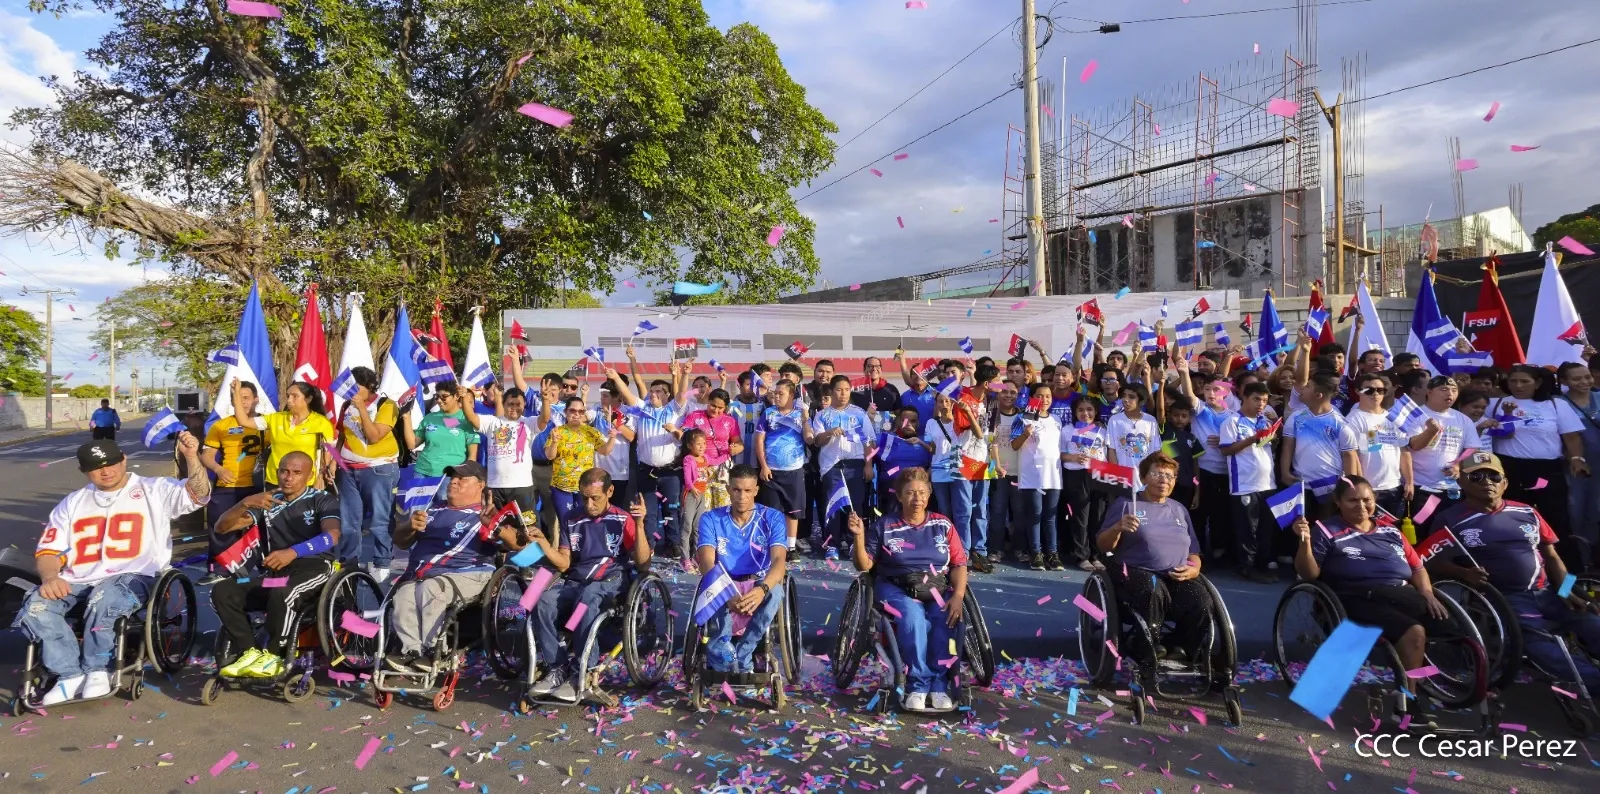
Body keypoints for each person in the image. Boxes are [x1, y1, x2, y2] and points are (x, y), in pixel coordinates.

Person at [17, 436, 210, 705]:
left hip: (136, 576)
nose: (106, 471)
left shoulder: (154, 489)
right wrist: (50, 578)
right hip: (78, 579)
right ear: (84, 471)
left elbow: (198, 493)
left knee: (105, 598)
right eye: (96, 467)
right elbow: (48, 551)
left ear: (124, 460)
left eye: (111, 463)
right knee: (36, 606)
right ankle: (68, 674)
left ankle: (97, 668)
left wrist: (191, 456)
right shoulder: (72, 503)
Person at [1427, 452, 1600, 694]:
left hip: (1549, 591)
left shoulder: (1527, 511)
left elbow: (1552, 557)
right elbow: (1431, 563)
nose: (1487, 481)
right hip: (1506, 598)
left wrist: (1566, 589)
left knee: (1593, 622)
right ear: (1462, 482)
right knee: (1541, 644)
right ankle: (1594, 683)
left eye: (1494, 476)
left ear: (1505, 483)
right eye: (1476, 476)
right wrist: (1463, 574)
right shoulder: (1449, 519)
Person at [1290, 475, 1454, 703]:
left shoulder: (1391, 531)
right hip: (1356, 597)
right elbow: (1310, 574)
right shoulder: (1326, 530)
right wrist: (1304, 541)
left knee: (1451, 628)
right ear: (1338, 502)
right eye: (1353, 500)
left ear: (1374, 499)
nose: (1361, 506)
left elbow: (1417, 568)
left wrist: (1427, 592)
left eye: (1367, 500)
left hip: (1400, 594)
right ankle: (1409, 696)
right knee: (1414, 632)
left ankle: (1440, 677)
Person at [846, 467, 969, 711]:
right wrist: (859, 537)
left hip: (936, 587)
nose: (917, 498)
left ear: (929, 495)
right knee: (914, 620)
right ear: (900, 496)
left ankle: (938, 685)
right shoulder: (885, 525)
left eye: (922, 492)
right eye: (910, 493)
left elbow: (959, 563)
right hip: (896, 587)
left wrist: (958, 595)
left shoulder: (943, 525)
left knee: (944, 619)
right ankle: (918, 684)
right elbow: (864, 565)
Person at [211, 451, 341, 679]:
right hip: (277, 573)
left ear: (309, 475)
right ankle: (249, 652)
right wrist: (244, 503)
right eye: (284, 471)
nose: (288, 478)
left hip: (315, 568)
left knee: (283, 592)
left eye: (296, 472)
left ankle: (274, 655)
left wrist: (292, 552)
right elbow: (221, 528)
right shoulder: (268, 500)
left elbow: (332, 536)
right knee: (223, 591)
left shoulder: (322, 499)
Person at [386, 461, 525, 671]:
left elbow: (518, 545)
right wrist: (409, 526)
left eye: (462, 478)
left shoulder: (487, 513)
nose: (454, 482)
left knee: (431, 589)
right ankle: (412, 651)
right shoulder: (432, 508)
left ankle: (434, 651)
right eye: (453, 478)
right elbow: (400, 542)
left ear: (480, 485)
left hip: (468, 572)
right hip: (422, 573)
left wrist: (494, 526)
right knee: (403, 595)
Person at [527, 468, 650, 696]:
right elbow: (564, 563)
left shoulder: (622, 519)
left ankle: (583, 672)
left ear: (610, 492)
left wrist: (640, 525)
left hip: (610, 580)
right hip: (577, 580)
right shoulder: (571, 518)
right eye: (584, 498)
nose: (589, 504)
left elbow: (643, 564)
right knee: (542, 601)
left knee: (587, 598)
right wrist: (543, 542)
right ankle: (557, 668)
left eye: (595, 498)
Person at [1096, 452, 1212, 663]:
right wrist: (1117, 528)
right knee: (1152, 588)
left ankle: (1181, 646)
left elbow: (1193, 552)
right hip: (1134, 570)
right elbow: (1103, 545)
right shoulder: (1126, 504)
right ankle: (1145, 646)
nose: (1164, 480)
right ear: (1144, 477)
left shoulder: (1179, 509)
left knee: (1202, 600)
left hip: (1175, 575)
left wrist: (1194, 569)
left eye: (1169, 476)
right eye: (1157, 474)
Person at [696, 465, 790, 674]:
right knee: (712, 587)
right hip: (723, 579)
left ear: (756, 490)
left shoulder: (772, 518)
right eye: (737, 490)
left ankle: (744, 654)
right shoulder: (711, 519)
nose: (742, 496)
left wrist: (762, 590)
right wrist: (725, 590)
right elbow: (706, 562)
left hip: (757, 580)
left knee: (775, 592)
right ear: (728, 489)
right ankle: (722, 655)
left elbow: (778, 561)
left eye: (747, 490)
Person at [1491, 365, 1589, 538]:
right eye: (1513, 381)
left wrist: (1577, 458)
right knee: (1512, 515)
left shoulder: (1556, 404)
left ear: (1537, 383)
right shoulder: (1495, 404)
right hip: (1509, 469)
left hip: (1546, 470)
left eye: (1524, 381)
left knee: (1554, 516)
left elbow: (1571, 436)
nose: (1518, 386)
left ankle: (1560, 554)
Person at [332, 367, 402, 578]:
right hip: (348, 469)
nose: (352, 393)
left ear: (370, 386)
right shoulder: (346, 405)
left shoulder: (386, 405)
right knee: (349, 520)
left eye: (357, 388)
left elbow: (374, 437)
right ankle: (349, 560)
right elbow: (342, 436)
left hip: (379, 469)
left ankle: (382, 560)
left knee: (380, 519)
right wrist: (334, 461)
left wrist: (362, 409)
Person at [612, 356, 683, 556]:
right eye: (651, 391)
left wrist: (677, 374)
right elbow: (629, 393)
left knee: (671, 509)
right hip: (646, 471)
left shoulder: (673, 411)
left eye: (658, 391)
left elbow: (680, 393)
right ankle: (649, 545)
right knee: (648, 511)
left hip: (670, 472)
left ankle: (673, 543)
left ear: (667, 395)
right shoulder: (642, 411)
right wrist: (616, 377)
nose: (653, 393)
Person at [201, 380, 265, 586]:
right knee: (220, 527)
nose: (242, 402)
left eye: (246, 398)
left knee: (262, 528)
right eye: (237, 398)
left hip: (258, 486)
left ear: (256, 399)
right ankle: (219, 569)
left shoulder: (267, 423)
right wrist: (218, 469)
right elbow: (206, 455)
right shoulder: (221, 425)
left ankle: (265, 568)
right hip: (228, 486)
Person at [1220, 382, 1281, 584]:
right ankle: (1246, 567)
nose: (1261, 404)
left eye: (1264, 400)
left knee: (1265, 528)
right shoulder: (1232, 421)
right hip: (1244, 485)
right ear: (1244, 398)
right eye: (1256, 399)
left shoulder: (1265, 421)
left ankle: (1262, 565)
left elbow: (1267, 447)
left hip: (1268, 484)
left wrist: (1272, 437)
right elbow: (1226, 450)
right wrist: (1253, 438)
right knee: (1247, 530)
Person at [460, 382, 542, 526]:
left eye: (518, 404)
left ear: (524, 406)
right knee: (497, 526)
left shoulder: (529, 423)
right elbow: (471, 417)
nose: (514, 407)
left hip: (522, 486)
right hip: (495, 486)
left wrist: (545, 400)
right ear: (503, 404)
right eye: (510, 404)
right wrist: (464, 398)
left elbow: (544, 419)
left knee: (527, 527)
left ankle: (527, 542)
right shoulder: (492, 422)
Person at [811, 374, 875, 560]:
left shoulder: (859, 413)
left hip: (855, 464)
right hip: (832, 466)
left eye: (847, 390)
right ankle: (832, 544)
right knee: (833, 506)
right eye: (839, 390)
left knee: (856, 505)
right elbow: (817, 441)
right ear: (831, 391)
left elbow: (870, 441)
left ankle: (855, 542)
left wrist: (868, 465)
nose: (843, 393)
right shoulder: (822, 415)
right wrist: (830, 432)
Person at [1280, 373, 1361, 516]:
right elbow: (1287, 447)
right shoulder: (1296, 417)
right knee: (1302, 526)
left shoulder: (1341, 424)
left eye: (1308, 387)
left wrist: (1349, 487)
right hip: (1301, 485)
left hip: (1331, 488)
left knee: (1326, 525)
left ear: (1318, 395)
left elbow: (1349, 456)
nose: (1302, 388)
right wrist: (1285, 472)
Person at [234, 380, 337, 491]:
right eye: (288, 396)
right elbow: (244, 421)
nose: (289, 400)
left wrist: (321, 475)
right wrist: (236, 393)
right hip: (275, 481)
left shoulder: (322, 422)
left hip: (305, 483)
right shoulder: (275, 418)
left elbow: (328, 454)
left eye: (294, 396)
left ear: (308, 399)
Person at [1408, 375, 1482, 523]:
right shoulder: (1416, 415)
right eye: (1444, 389)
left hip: (1451, 488)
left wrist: (1458, 464)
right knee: (1421, 524)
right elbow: (1414, 445)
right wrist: (1431, 431)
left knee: (1450, 527)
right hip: (1422, 487)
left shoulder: (1463, 419)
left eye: (1454, 390)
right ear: (1429, 392)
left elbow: (1472, 447)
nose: (1450, 394)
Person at [1342, 373, 1413, 522]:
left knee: (1393, 529)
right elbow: (1353, 455)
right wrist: (1359, 488)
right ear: (1358, 391)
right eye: (1369, 390)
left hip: (1395, 486)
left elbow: (1404, 451)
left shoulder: (1393, 418)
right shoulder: (1353, 419)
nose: (1375, 394)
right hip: (1370, 490)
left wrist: (1409, 481)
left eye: (1380, 390)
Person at [1011, 382, 1066, 572]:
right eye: (1040, 396)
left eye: (1048, 396)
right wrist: (1025, 434)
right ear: (1032, 398)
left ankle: (1052, 553)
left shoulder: (1056, 420)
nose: (1044, 400)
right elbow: (1014, 445)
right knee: (1035, 513)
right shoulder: (1022, 418)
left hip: (1054, 475)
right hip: (1032, 475)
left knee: (1050, 515)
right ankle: (1036, 553)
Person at [755, 380, 813, 548]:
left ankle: (791, 546)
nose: (777, 396)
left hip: (794, 471)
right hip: (771, 471)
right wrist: (764, 466)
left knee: (793, 511)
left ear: (792, 395)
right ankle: (774, 545)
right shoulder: (768, 413)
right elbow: (759, 440)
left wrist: (805, 421)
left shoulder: (801, 414)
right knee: (772, 512)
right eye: (776, 393)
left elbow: (810, 439)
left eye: (781, 394)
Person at [921, 391, 980, 554]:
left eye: (947, 401)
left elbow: (979, 435)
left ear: (953, 403)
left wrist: (967, 412)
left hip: (959, 469)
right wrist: (920, 442)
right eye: (940, 401)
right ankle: (946, 547)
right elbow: (932, 449)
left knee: (963, 512)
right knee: (944, 511)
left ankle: (963, 550)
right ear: (936, 404)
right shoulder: (931, 423)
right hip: (939, 471)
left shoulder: (962, 420)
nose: (944, 404)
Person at [545, 397, 617, 523]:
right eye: (572, 410)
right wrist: (555, 442)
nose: (577, 414)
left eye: (581, 411)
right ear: (566, 412)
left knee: (585, 522)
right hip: (561, 487)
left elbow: (605, 451)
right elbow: (549, 456)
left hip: (585, 488)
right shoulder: (557, 432)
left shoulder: (591, 432)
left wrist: (612, 438)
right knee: (566, 522)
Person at [401, 381, 482, 486]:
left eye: (444, 397)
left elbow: (472, 457)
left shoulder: (467, 420)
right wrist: (406, 416)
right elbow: (412, 444)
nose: (439, 400)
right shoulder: (430, 418)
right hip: (422, 472)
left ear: (456, 396)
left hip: (449, 476)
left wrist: (465, 477)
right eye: (437, 397)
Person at [1061, 396, 1109, 572]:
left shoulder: (1103, 430)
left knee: (1098, 515)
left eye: (1089, 409)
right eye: (1081, 410)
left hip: (1099, 475)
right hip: (1076, 475)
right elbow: (1060, 454)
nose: (1085, 413)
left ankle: (1096, 555)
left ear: (1096, 412)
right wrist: (1073, 457)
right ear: (1075, 412)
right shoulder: (1067, 430)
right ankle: (1081, 556)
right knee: (1081, 517)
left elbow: (1108, 453)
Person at [1557, 363, 1600, 543]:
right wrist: (1573, 457)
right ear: (1564, 381)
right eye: (1576, 379)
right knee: (1576, 509)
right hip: (1575, 464)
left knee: (1596, 509)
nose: (1584, 382)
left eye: (1587, 377)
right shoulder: (1557, 403)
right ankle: (1581, 551)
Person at [989, 382, 1023, 563]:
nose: (1008, 395)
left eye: (1013, 392)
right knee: (997, 511)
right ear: (997, 394)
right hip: (996, 472)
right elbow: (989, 442)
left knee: (1019, 511)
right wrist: (996, 465)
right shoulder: (991, 415)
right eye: (1004, 392)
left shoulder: (1023, 416)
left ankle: (1020, 548)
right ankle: (996, 549)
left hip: (1020, 472)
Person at [592, 382, 636, 509]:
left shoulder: (628, 412)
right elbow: (584, 417)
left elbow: (631, 436)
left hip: (618, 472)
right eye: (601, 396)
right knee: (599, 506)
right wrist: (584, 395)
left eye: (605, 396)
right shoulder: (596, 408)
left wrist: (614, 421)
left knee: (616, 508)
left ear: (616, 396)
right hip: (599, 470)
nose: (602, 399)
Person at [1106, 383, 1160, 469]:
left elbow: (1155, 450)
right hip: (1123, 474)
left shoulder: (1151, 420)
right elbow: (1111, 449)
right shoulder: (1114, 420)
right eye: (1124, 396)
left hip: (1145, 474)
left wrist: (1149, 473)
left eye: (1131, 397)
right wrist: (1116, 473)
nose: (1125, 400)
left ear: (1141, 401)